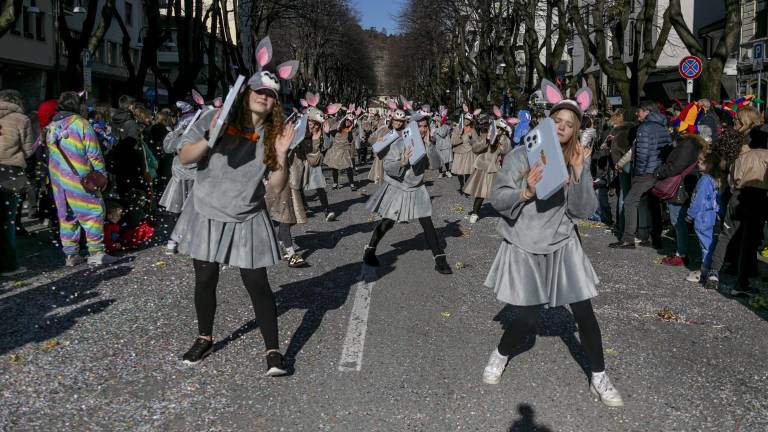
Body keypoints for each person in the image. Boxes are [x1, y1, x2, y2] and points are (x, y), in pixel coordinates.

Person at [482, 81, 623, 407]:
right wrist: (526, 192)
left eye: (569, 124)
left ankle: (599, 376)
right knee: (529, 318)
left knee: (585, 313)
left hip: (562, 242)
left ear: (576, 130)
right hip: (527, 244)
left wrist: (578, 173)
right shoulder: (522, 154)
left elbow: (584, 210)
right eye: (558, 121)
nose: (562, 127)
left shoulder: (577, 158)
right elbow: (498, 198)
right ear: (547, 121)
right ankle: (501, 354)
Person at [171, 39, 299, 375]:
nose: (264, 96)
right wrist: (210, 136)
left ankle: (273, 350)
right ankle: (204, 337)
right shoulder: (214, 116)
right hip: (207, 210)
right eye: (259, 90)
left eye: (271, 94)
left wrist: (283, 156)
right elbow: (185, 157)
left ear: (275, 102)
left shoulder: (275, 135)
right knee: (205, 279)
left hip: (247, 214)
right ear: (247, 91)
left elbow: (275, 186)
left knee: (257, 283)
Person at [363, 107, 453, 275]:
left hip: (417, 187)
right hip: (399, 186)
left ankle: (440, 259)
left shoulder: (427, 143)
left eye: (425, 126)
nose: (423, 129)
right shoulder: (397, 141)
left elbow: (434, 165)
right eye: (419, 126)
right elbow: (389, 167)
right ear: (411, 127)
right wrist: (402, 163)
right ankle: (370, 249)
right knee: (388, 222)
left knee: (427, 222)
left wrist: (430, 145)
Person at [45, 91, 117, 266]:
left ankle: (71, 255)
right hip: (79, 177)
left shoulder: (52, 125)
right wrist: (101, 175)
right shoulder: (81, 124)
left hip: (58, 179)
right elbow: (94, 153)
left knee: (67, 215)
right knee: (93, 211)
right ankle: (96, 253)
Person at [705, 108, 768, 295]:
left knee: (726, 235)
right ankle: (743, 280)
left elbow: (732, 180)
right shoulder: (763, 154)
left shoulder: (740, 157)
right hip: (758, 196)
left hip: (738, 195)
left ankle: (714, 272)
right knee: (748, 240)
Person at [610, 100, 672, 249]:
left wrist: (638, 172)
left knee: (631, 202)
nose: (637, 113)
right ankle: (655, 238)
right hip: (658, 170)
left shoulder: (644, 128)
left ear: (647, 111)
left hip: (645, 172)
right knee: (653, 205)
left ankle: (628, 239)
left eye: (640, 111)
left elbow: (642, 153)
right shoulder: (662, 127)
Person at [654, 103, 707, 266]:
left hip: (681, 188)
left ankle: (681, 253)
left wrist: (659, 171)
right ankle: (683, 251)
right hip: (684, 186)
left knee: (679, 222)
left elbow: (677, 166)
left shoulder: (687, 144)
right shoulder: (691, 143)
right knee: (681, 221)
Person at [0, 89, 35, 276]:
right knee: (7, 221)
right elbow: (28, 150)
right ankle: (8, 266)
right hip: (10, 172)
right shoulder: (22, 120)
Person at [464, 117, 512, 224]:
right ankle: (475, 213)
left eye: (501, 129)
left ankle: (504, 213)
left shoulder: (503, 139)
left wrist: (504, 138)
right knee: (480, 192)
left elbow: (507, 151)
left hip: (495, 168)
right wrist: (486, 141)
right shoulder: (486, 136)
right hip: (483, 167)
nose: (498, 130)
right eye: (497, 128)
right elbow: (475, 149)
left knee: (499, 192)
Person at [685, 152, 722, 284]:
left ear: (709, 165)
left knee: (705, 245)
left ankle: (705, 270)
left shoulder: (704, 180)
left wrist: (690, 215)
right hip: (712, 215)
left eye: (700, 162)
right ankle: (708, 268)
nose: (698, 164)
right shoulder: (715, 179)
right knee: (710, 242)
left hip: (702, 215)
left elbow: (698, 200)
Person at [302, 106, 336, 221]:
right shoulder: (302, 130)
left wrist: (326, 134)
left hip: (314, 163)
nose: (310, 125)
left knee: (320, 187)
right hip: (301, 162)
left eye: (312, 123)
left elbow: (328, 145)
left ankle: (327, 210)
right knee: (298, 186)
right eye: (309, 122)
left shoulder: (320, 132)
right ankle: (303, 207)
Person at [609, 109, 637, 236]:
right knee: (635, 198)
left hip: (623, 166)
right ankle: (635, 228)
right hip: (637, 166)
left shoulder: (618, 132)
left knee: (623, 196)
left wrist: (617, 164)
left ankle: (622, 227)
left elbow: (615, 151)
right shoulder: (636, 129)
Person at [451, 110, 481, 195]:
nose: (467, 121)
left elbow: (476, 142)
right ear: (463, 119)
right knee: (459, 172)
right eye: (466, 119)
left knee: (468, 171)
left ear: (471, 121)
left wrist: (471, 139)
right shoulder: (457, 128)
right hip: (459, 152)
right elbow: (453, 141)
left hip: (469, 153)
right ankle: (461, 185)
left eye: (469, 120)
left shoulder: (473, 130)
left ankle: (466, 187)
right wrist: (461, 136)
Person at [324, 114, 357, 190]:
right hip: (335, 150)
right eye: (347, 120)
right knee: (334, 167)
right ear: (345, 120)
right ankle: (335, 184)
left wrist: (350, 130)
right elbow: (330, 132)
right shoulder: (338, 127)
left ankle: (351, 184)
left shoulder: (351, 130)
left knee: (349, 167)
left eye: (350, 121)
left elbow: (350, 140)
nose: (348, 122)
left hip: (345, 150)